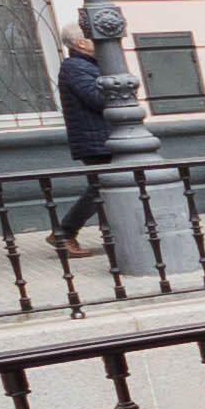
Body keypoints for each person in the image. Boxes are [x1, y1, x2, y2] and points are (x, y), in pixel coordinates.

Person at [48, 20, 117, 257]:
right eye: (93, 38)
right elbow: (97, 98)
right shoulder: (75, 67)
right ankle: (65, 233)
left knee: (107, 187)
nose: (99, 43)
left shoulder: (91, 64)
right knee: (101, 187)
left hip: (104, 137)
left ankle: (112, 233)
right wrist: (117, 84)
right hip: (95, 140)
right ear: (81, 43)